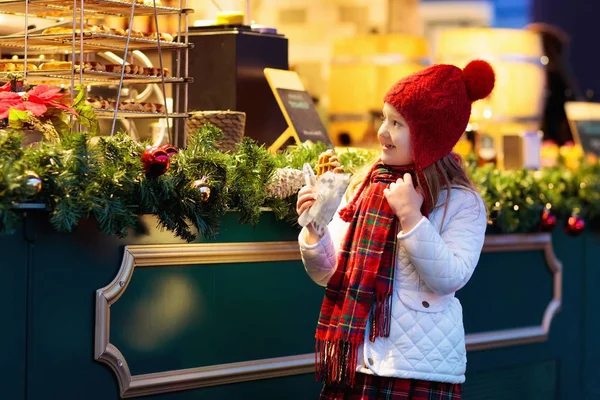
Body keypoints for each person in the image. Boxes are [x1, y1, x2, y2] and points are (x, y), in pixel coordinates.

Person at [296, 60, 495, 399]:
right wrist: (314, 229)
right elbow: (328, 275)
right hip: (353, 364)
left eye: (397, 123)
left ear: (429, 135)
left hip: (418, 370)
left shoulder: (461, 201)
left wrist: (412, 218)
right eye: (385, 118)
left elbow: (450, 278)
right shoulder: (364, 183)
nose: (383, 132)